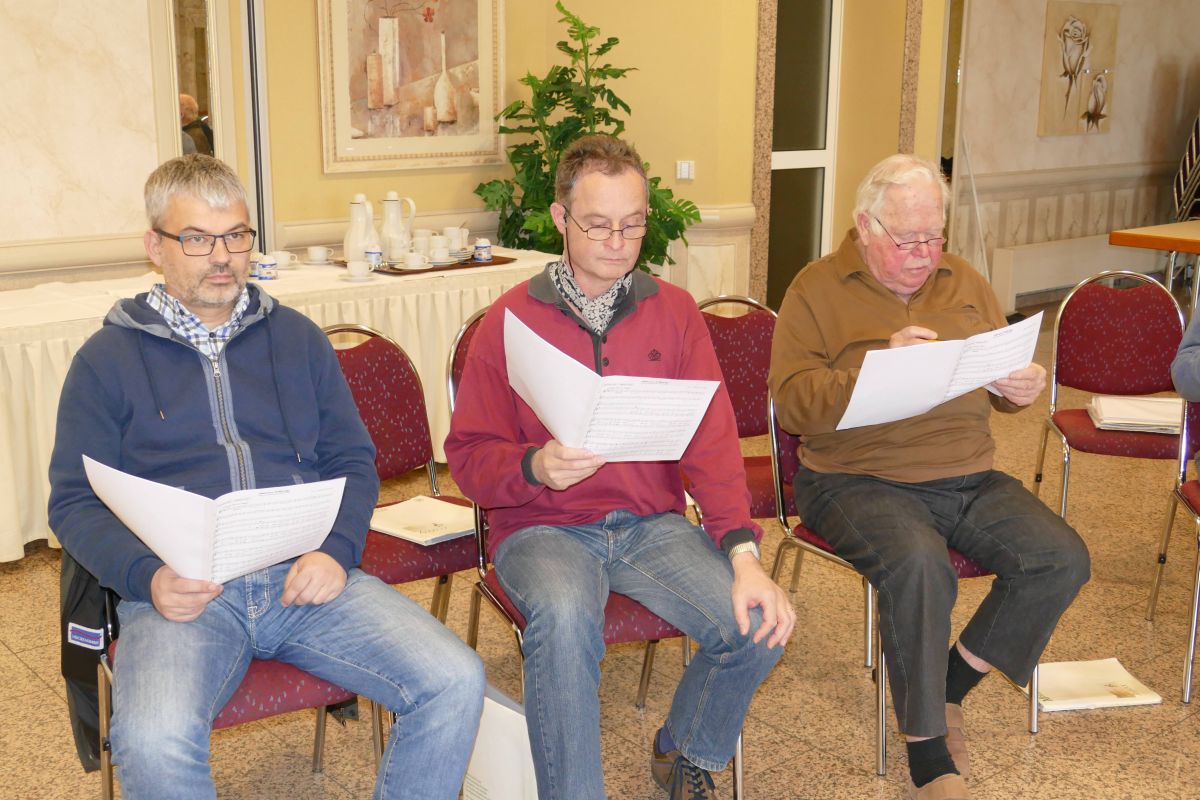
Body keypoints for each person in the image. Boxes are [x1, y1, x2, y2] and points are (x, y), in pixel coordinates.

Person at [47, 154, 485, 800]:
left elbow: (352, 459)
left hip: (303, 575)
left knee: (455, 679)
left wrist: (336, 551)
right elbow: (73, 502)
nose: (222, 257)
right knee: (151, 741)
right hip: (183, 592)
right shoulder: (106, 360)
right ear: (155, 247)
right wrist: (147, 578)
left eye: (236, 235)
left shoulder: (297, 339)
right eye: (197, 239)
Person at [445, 134, 795, 800]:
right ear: (560, 219)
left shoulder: (675, 312)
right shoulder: (510, 320)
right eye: (598, 224)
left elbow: (713, 444)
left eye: (632, 225)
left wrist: (744, 554)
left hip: (648, 525)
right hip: (542, 528)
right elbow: (468, 457)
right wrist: (534, 466)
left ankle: (684, 747)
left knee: (760, 622)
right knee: (564, 617)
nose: (617, 241)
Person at [768, 154, 1090, 800]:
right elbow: (792, 404)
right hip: (854, 477)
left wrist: (1017, 387)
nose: (923, 254)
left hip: (965, 473)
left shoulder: (964, 280)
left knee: (1060, 558)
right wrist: (877, 369)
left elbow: (998, 377)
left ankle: (946, 686)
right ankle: (928, 752)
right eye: (907, 239)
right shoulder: (815, 288)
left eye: (933, 237)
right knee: (920, 567)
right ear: (865, 226)